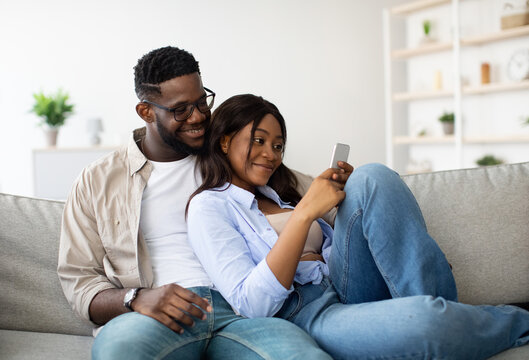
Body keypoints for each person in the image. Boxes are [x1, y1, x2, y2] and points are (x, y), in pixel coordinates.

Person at [186, 93, 529, 360]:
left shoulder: (282, 195)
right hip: (309, 312)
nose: (271, 154)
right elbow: (252, 304)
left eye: (277, 145)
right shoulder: (208, 207)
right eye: (259, 141)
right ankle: (486, 319)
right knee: (424, 321)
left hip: (347, 284)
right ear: (226, 141)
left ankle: (435, 307)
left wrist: (343, 200)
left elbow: (345, 246)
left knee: (370, 176)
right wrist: (305, 213)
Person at [57, 47, 332, 360]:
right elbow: (79, 282)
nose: (199, 116)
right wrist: (136, 298)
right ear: (146, 112)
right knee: (119, 352)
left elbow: (315, 195)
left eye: (202, 102)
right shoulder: (99, 181)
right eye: (181, 110)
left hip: (244, 313)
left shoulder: (228, 153)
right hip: (159, 317)